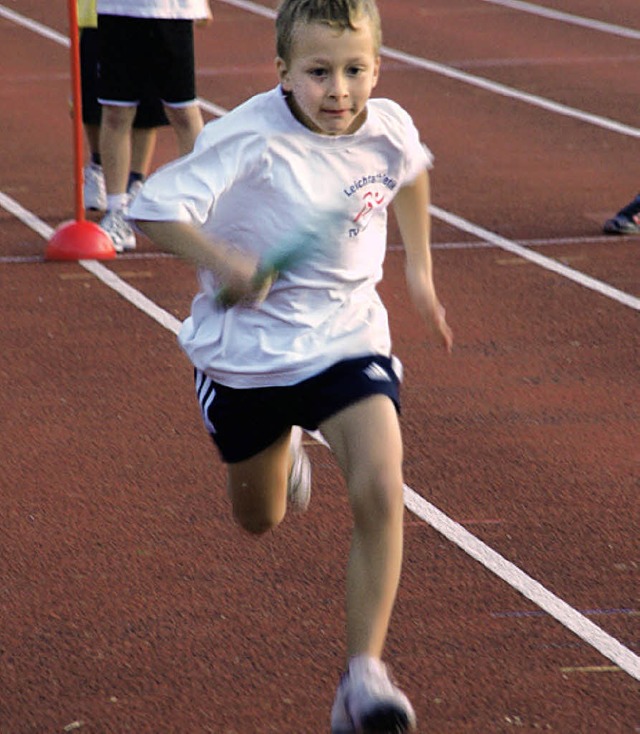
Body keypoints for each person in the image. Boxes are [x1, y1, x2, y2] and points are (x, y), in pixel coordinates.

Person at [131, 0, 453, 731]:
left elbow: (412, 175)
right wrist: (225, 261)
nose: (339, 90)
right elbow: (151, 207)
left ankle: (363, 677)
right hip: (249, 354)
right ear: (282, 72)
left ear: (377, 66)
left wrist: (420, 276)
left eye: (354, 70)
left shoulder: (388, 126)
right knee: (259, 517)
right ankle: (284, 451)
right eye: (318, 73)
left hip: (346, 338)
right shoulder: (248, 138)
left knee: (380, 483)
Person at [96, 0, 212, 252]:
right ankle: (116, 210)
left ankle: (195, 207)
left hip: (172, 10)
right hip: (118, 10)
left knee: (183, 112)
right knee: (116, 111)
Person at [77, 0, 170, 212]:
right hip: (99, 15)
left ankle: (136, 181)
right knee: (94, 101)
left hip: (152, 13)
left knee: (148, 104)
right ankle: (98, 165)